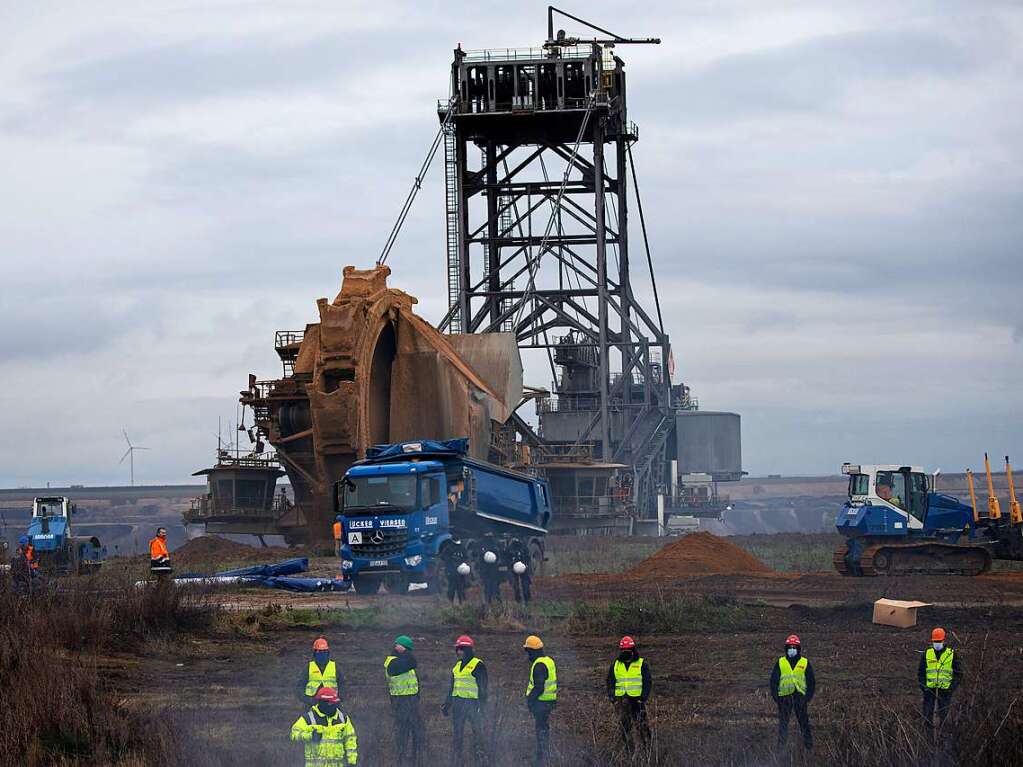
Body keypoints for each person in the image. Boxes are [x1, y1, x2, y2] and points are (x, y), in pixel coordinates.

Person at [443, 634, 488, 766]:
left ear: (468, 650)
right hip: (458, 704)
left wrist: (482, 706)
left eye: (461, 649)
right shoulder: (456, 667)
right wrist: (447, 704)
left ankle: (479, 758)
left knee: (477, 732)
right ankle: (457, 759)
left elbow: (483, 688)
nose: (459, 652)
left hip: (473, 704)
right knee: (457, 733)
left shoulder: (478, 665)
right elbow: (452, 688)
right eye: (457, 649)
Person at [290, 686, 358, 766]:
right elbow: (293, 734)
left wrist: (352, 762)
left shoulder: (343, 719)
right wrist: (310, 736)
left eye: (335, 703)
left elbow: (350, 739)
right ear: (322, 703)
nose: (334, 707)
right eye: (331, 703)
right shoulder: (309, 719)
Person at [606, 636, 651, 754]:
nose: (625, 652)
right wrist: (612, 697)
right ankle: (629, 752)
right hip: (621, 701)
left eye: (628, 650)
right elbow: (610, 681)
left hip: (637, 700)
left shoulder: (641, 664)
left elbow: (647, 682)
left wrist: (643, 697)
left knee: (642, 727)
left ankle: (648, 751)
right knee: (625, 728)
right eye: (623, 650)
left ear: (633, 649)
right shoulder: (616, 664)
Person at [769, 634, 815, 751]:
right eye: (790, 647)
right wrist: (777, 698)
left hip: (800, 697)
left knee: (804, 723)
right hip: (784, 698)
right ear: (786, 648)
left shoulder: (805, 663)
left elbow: (811, 682)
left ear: (798, 649)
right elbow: (773, 682)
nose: (792, 650)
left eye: (794, 647)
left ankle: (808, 747)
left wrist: (807, 698)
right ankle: (781, 749)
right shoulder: (780, 662)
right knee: (783, 725)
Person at [384, 634, 424, 765]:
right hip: (400, 702)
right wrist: (406, 652)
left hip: (412, 700)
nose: (407, 651)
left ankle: (416, 759)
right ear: (396, 646)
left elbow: (414, 681)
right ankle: (401, 760)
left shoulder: (405, 661)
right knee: (403, 732)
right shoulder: (392, 662)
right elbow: (413, 662)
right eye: (405, 648)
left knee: (417, 731)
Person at [918, 626, 960, 738]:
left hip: (945, 690)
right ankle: (928, 738)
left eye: (938, 641)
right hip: (929, 690)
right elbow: (921, 673)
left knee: (944, 715)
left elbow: (958, 674)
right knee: (927, 715)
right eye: (935, 641)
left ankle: (943, 737)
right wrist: (924, 687)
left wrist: (952, 687)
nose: (937, 643)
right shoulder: (927, 653)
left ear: (944, 640)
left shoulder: (951, 654)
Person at [523, 635, 557, 765]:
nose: (528, 655)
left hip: (541, 703)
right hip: (549, 702)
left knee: (541, 730)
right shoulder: (549, 661)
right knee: (544, 729)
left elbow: (539, 687)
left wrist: (530, 700)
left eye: (528, 651)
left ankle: (541, 758)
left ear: (532, 651)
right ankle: (544, 755)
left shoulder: (539, 665)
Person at [301, 637, 342, 704]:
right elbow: (300, 686)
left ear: (328, 653)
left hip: (332, 702)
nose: (322, 654)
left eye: (324, 652)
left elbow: (342, 684)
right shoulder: (308, 667)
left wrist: (339, 698)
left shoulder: (335, 667)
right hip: (312, 702)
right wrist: (307, 699)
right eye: (319, 652)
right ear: (314, 653)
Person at [507, 539, 532, 604]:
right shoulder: (510, 549)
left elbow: (528, 557)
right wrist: (511, 564)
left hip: (523, 567)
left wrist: (526, 564)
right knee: (515, 586)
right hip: (513, 568)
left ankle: (527, 599)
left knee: (525, 585)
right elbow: (506, 559)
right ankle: (518, 600)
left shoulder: (523, 547)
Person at [480, 536, 502, 605]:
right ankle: (489, 602)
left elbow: (498, 557)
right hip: (488, 571)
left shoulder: (494, 546)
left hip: (492, 570)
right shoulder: (484, 546)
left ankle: (497, 601)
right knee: (488, 587)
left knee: (494, 586)